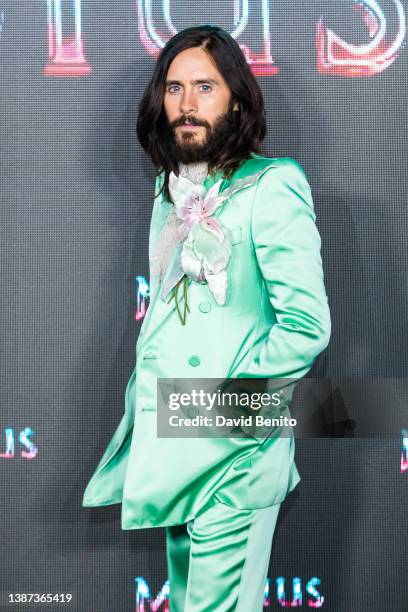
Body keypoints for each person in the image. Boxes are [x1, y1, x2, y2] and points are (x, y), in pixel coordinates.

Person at [82, 24, 331, 611]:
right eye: (174, 88)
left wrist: (228, 411)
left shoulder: (273, 185)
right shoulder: (168, 195)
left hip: (233, 454)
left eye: (205, 87)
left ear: (236, 98)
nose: (187, 105)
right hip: (175, 444)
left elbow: (306, 325)